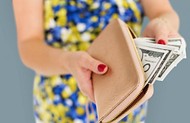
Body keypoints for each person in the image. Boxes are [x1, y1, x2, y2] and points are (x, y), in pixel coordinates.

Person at [13, 0, 180, 122]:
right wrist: (67, 61)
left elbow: (164, 11)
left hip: (123, 104)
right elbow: (28, 45)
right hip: (58, 106)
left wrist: (162, 24)